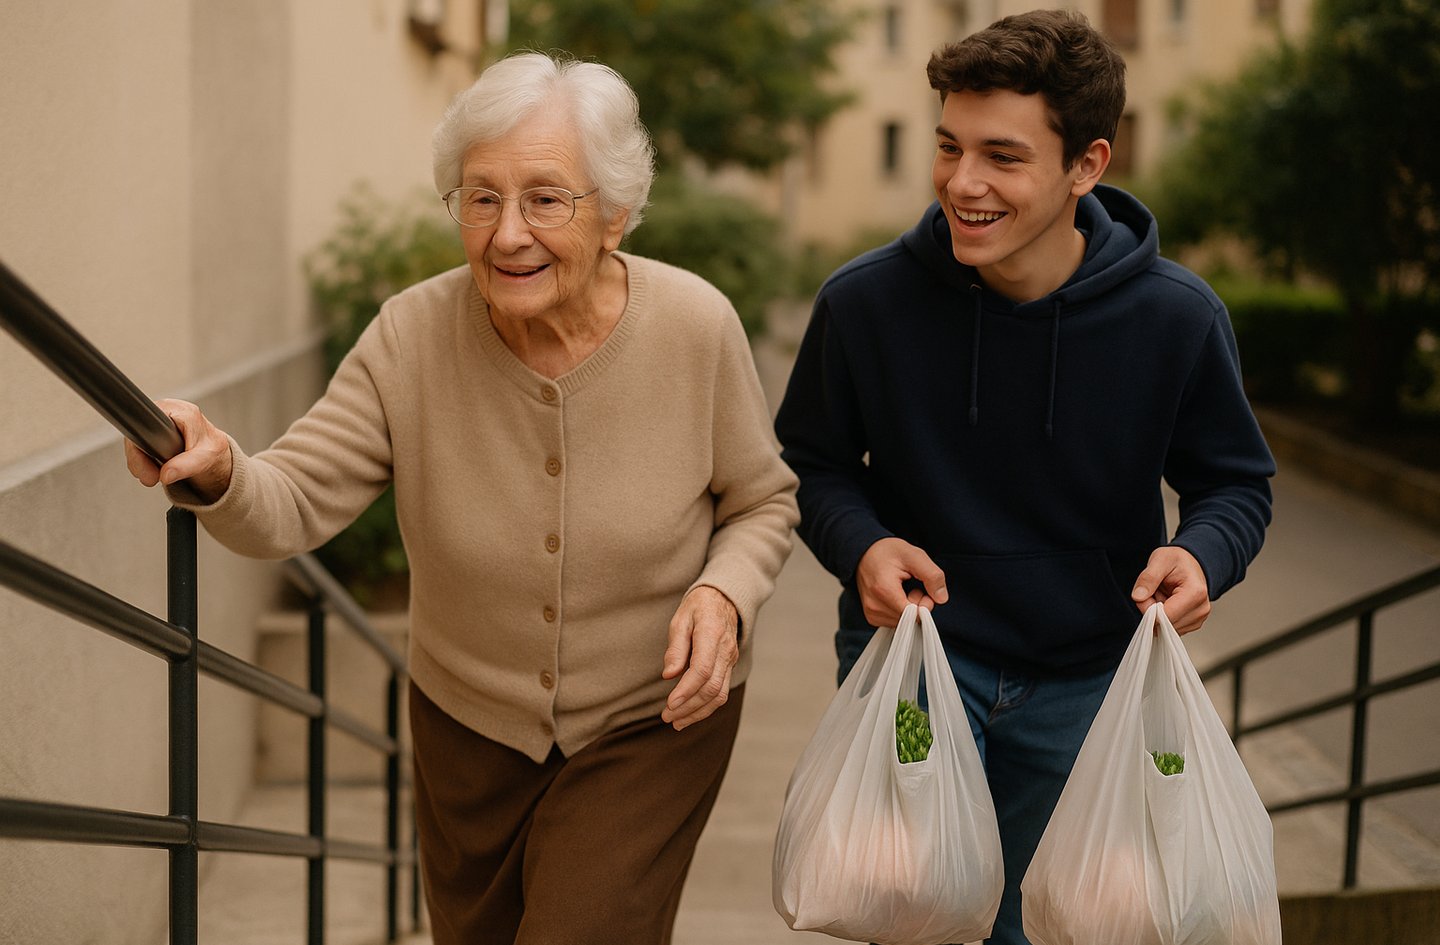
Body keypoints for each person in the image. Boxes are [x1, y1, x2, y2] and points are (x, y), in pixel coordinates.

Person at [125, 52, 798, 945]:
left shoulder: (694, 326)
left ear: (616, 216)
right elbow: (290, 499)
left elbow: (763, 501)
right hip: (466, 729)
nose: (508, 232)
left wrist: (724, 593)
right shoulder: (410, 336)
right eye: (481, 198)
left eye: (546, 199)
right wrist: (212, 464)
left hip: (652, 718)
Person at [773, 10, 1275, 945]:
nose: (963, 183)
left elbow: (1236, 484)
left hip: (1089, 683)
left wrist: (1203, 556)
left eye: (1002, 157)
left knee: (1049, 930)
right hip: (916, 675)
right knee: (906, 920)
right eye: (948, 147)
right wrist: (864, 544)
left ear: (1087, 164)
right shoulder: (865, 303)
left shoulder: (1176, 318)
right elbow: (814, 464)